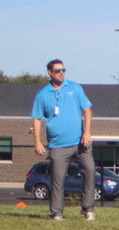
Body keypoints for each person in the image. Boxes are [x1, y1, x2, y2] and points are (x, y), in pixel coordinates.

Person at [31, 59, 96, 221]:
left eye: (63, 70)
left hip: (80, 143)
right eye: (58, 70)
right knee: (58, 180)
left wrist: (87, 132)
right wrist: (37, 141)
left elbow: (87, 110)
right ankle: (57, 213)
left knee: (90, 170)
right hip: (58, 146)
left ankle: (88, 209)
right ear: (50, 72)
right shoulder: (43, 95)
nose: (61, 73)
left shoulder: (75, 88)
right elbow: (37, 119)